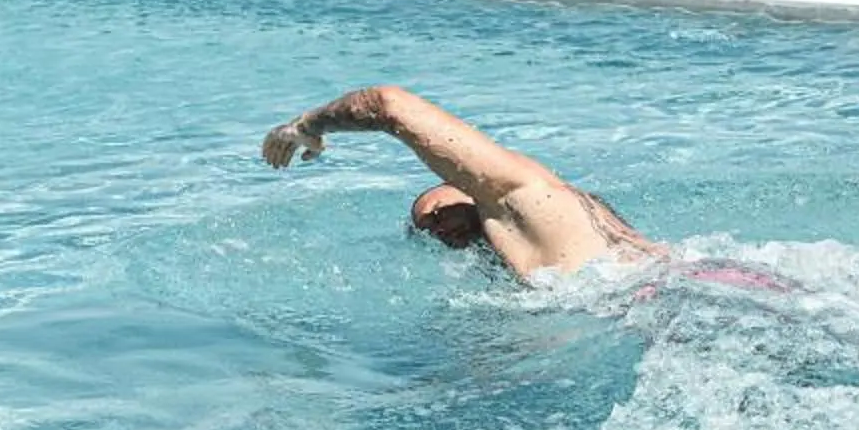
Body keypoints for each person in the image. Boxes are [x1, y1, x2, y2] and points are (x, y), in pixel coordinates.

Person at [261, 83, 794, 295]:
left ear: (474, 191)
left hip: (685, 300)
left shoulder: (525, 200)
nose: (437, 226)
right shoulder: (576, 227)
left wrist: (307, 125)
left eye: (441, 207)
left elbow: (386, 103)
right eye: (425, 227)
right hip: (723, 281)